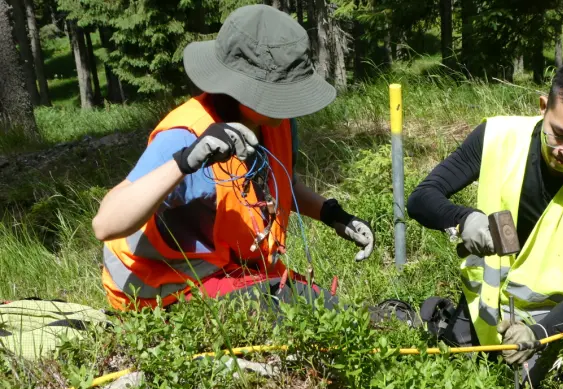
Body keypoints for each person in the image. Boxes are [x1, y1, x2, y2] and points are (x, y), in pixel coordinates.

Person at [91, 5, 375, 312]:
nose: (291, 103)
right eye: (282, 91)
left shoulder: (274, 121)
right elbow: (105, 224)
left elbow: (280, 185)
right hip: (159, 288)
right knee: (310, 312)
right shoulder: (187, 135)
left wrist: (334, 216)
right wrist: (186, 162)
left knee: (324, 307)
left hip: (231, 273)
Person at [406, 58, 563, 389]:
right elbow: (422, 198)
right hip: (479, 311)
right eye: (558, 134)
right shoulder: (498, 136)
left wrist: (539, 334)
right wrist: (463, 219)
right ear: (544, 107)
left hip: (550, 324)